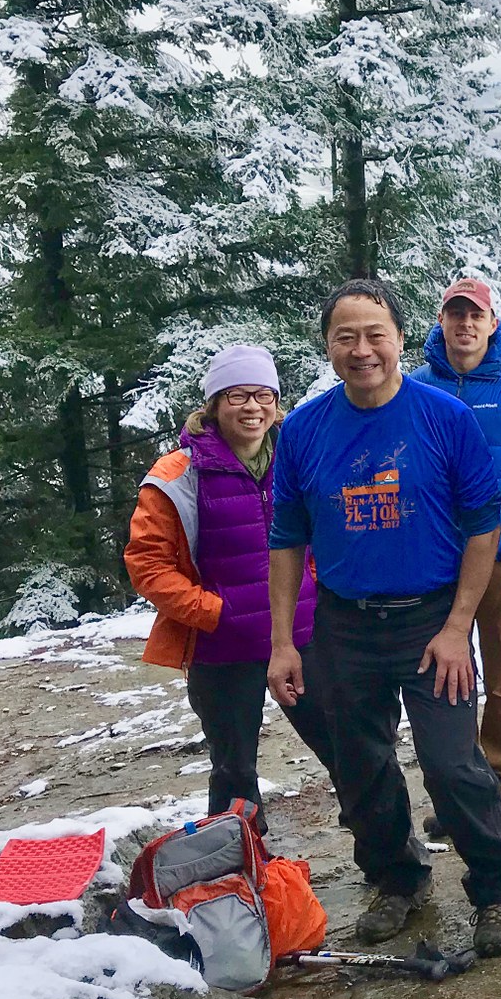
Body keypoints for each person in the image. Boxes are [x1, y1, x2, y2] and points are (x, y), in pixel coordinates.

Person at [266, 279, 501, 955]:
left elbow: (482, 525)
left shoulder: (444, 418)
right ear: (327, 346)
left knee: (452, 764)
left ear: (401, 339)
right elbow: (287, 539)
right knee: (360, 766)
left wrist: (456, 627)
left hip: (430, 619)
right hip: (344, 623)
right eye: (345, 336)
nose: (362, 351)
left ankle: (498, 889)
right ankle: (398, 879)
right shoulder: (301, 431)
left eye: (375, 334)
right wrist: (283, 643)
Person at [129, 345, 336, 833]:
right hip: (221, 648)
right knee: (234, 769)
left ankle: (388, 857)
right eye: (237, 395)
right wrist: (214, 612)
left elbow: (326, 536)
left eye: (263, 395)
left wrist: (319, 588)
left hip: (304, 636)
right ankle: (237, 868)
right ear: (214, 404)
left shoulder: (297, 460)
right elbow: (148, 564)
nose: (252, 407)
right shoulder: (178, 474)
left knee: (343, 745)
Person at [411, 276, 501, 819]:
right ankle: (459, 786)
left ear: (492, 323)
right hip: (436, 557)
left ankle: (497, 779)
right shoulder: (413, 388)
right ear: (442, 322)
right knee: (445, 673)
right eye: (455, 314)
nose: (465, 324)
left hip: (500, 555)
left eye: (475, 315)